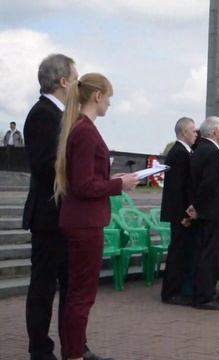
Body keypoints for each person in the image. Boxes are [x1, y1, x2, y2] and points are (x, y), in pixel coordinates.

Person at [53, 73, 139, 360]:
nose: (110, 104)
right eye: (109, 97)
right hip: (85, 223)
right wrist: (119, 185)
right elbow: (83, 185)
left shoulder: (78, 129)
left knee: (76, 295)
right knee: (81, 297)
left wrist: (111, 178)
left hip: (80, 220)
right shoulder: (86, 132)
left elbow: (85, 179)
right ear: (97, 96)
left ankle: (72, 352)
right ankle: (74, 355)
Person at [22, 54, 79, 360]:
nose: (78, 83)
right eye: (75, 76)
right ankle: (40, 350)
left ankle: (74, 345)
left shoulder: (62, 115)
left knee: (71, 286)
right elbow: (45, 166)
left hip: (66, 215)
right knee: (44, 287)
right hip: (48, 216)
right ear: (62, 82)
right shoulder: (43, 114)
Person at [186, 116, 219, 310]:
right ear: (214, 131)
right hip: (213, 212)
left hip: (208, 211)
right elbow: (208, 183)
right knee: (210, 255)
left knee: (206, 253)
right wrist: (197, 206)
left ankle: (203, 293)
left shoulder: (201, 149)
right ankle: (205, 296)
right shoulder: (212, 152)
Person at [160, 117, 197, 306]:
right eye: (193, 130)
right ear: (183, 132)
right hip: (180, 213)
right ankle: (171, 291)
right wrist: (184, 214)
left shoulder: (186, 152)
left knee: (182, 251)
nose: (196, 133)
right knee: (177, 252)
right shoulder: (179, 153)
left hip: (183, 212)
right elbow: (177, 188)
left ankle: (178, 288)